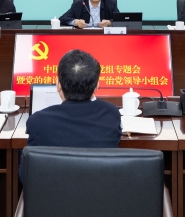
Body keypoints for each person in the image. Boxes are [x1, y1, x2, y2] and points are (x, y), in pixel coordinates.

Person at [22, 49, 121, 181]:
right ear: (96, 86)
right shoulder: (111, 114)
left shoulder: (38, 121)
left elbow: (26, 174)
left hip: (53, 193)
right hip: (99, 191)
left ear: (58, 85)